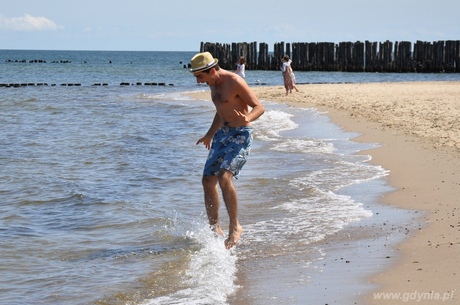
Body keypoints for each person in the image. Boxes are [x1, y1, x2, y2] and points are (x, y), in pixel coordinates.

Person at [190, 51, 264, 249]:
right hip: (222, 134)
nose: (198, 81)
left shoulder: (234, 81)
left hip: (241, 134)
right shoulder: (213, 84)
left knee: (224, 177)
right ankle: (214, 228)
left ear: (212, 70)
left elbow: (258, 107)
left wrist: (248, 118)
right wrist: (209, 134)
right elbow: (221, 110)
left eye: (200, 77)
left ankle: (235, 227)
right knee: (207, 180)